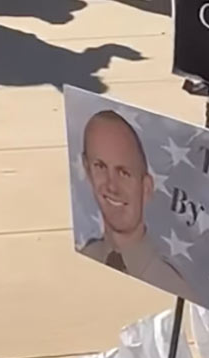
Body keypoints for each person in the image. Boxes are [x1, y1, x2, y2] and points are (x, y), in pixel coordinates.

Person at [78, 109, 189, 290]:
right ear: (87, 170)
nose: (112, 186)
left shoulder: (172, 285)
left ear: (146, 188)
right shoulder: (88, 255)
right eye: (100, 167)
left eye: (124, 173)